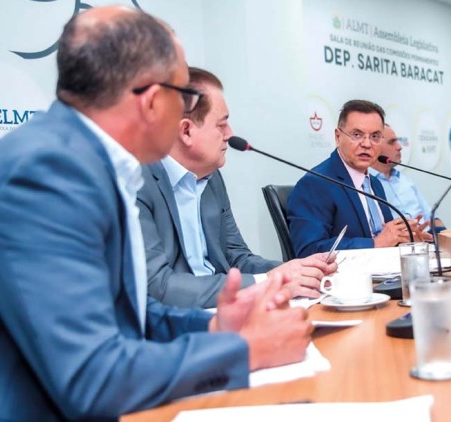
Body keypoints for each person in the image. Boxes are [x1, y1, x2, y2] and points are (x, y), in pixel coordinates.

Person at [0, 7, 311, 420]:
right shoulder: (47, 174)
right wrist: (247, 350)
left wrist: (216, 328)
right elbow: (92, 378)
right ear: (153, 99)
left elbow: (129, 314)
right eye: (184, 96)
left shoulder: (88, 160)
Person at [137, 67, 336, 308]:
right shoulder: (137, 180)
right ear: (186, 131)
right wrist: (269, 282)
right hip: (177, 318)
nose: (230, 135)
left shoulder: (212, 178)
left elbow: (237, 258)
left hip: (225, 307)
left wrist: (295, 271)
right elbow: (158, 286)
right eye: (221, 125)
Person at [287, 99, 423, 258]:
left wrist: (406, 240)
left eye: (375, 136)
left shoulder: (374, 183)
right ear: (338, 137)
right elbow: (309, 250)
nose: (367, 144)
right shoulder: (315, 183)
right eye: (357, 135)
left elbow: (385, 242)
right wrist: (375, 243)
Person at [369, 124, 444, 240]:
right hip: (401, 245)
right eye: (392, 142)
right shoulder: (367, 185)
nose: (399, 147)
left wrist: (444, 236)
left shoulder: (405, 180)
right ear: (376, 147)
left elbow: (432, 216)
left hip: (429, 241)